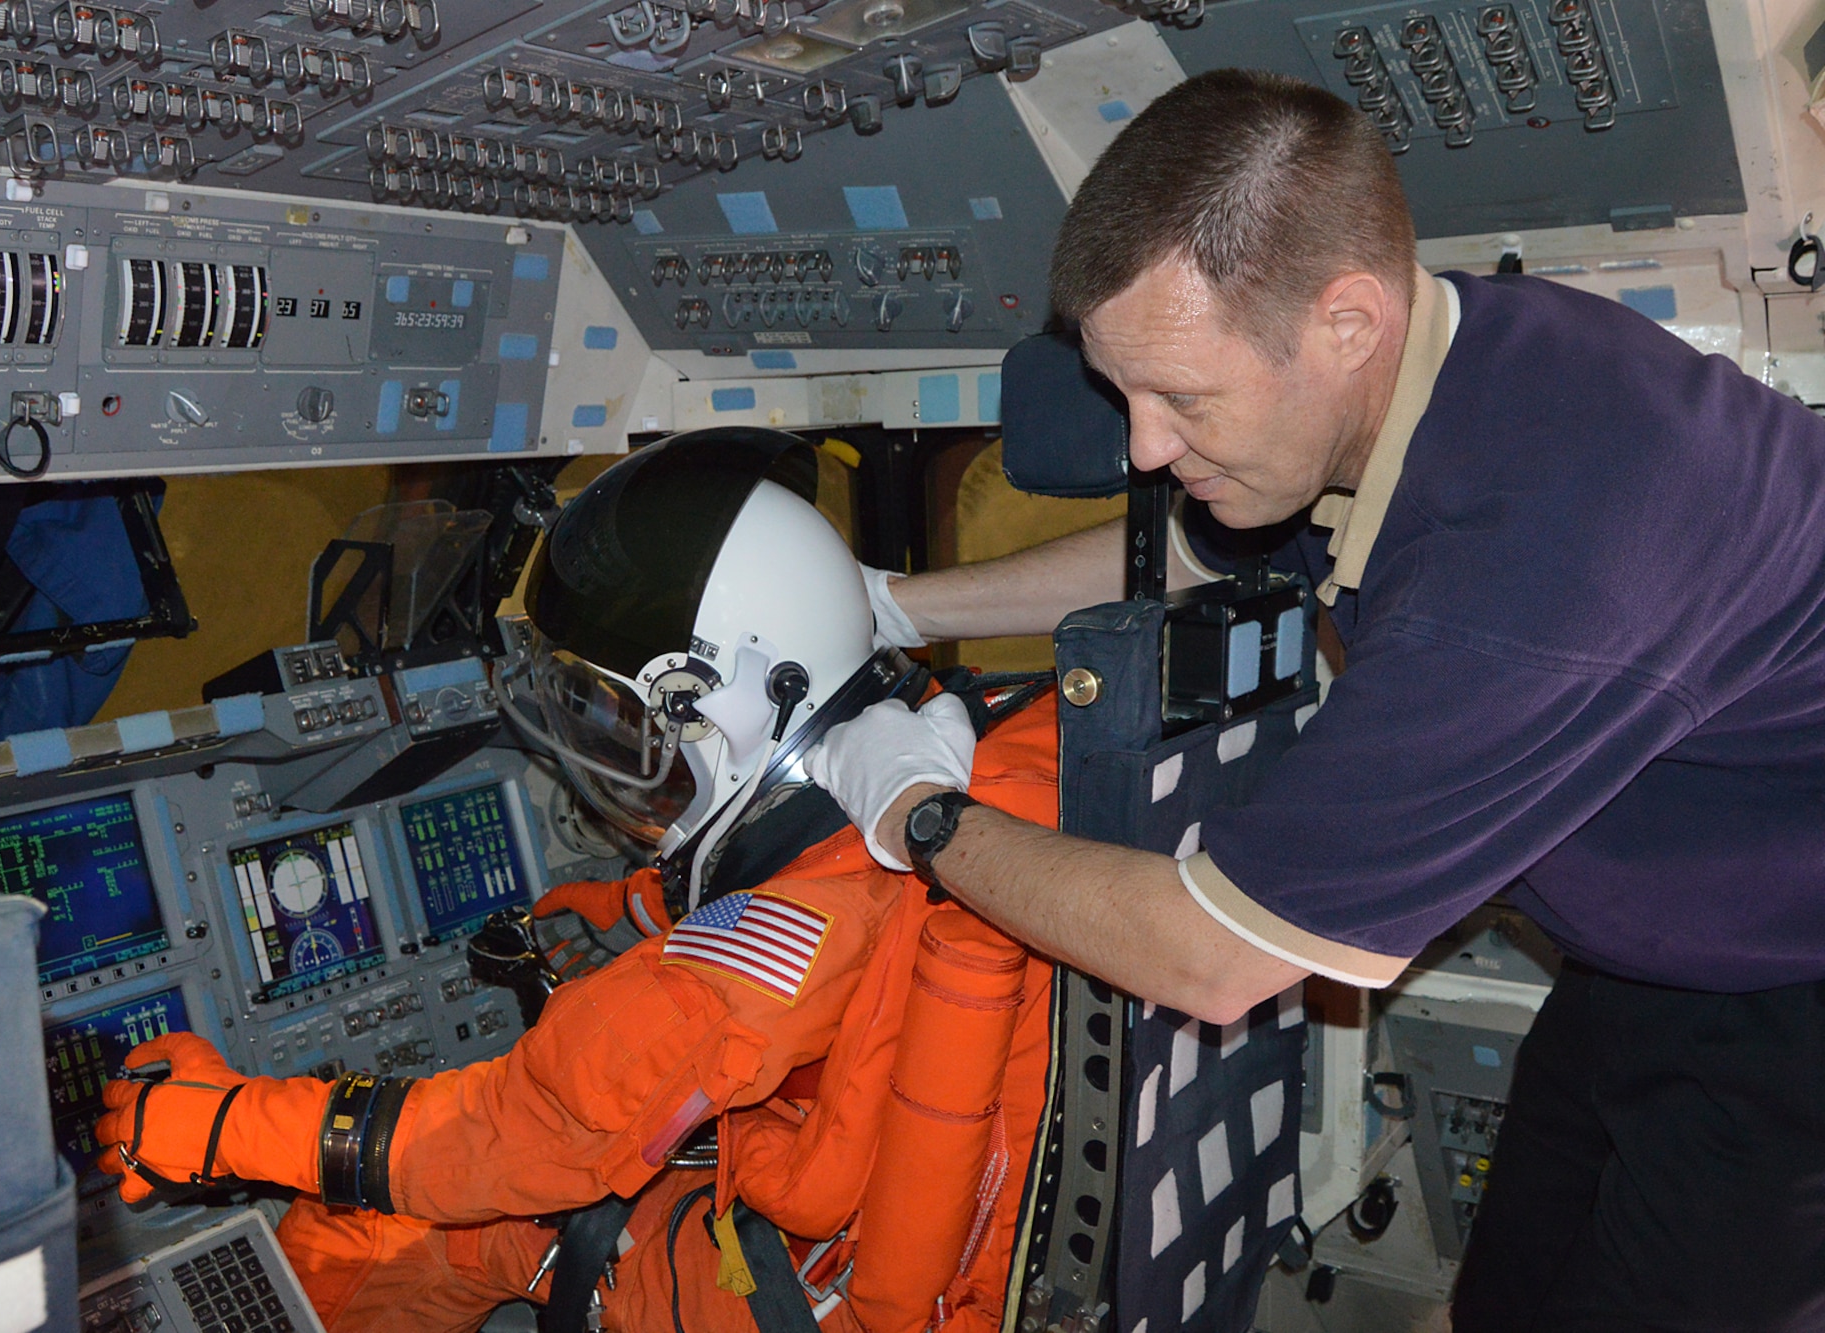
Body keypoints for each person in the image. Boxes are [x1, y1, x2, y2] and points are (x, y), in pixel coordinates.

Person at [808, 68, 1825, 1330]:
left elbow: (1212, 954)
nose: (1140, 448)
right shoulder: (1448, 366)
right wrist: (901, 606)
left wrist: (912, 809)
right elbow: (1188, 552)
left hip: (1793, 1004)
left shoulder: (1549, 556)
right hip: (1658, 955)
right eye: (1124, 393)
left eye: (1180, 397)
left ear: (1344, 322)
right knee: (1503, 1297)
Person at [91, 429, 1075, 1333]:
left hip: (807, 1290)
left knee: (411, 1227)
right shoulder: (968, 740)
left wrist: (213, 1123)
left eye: (624, 720)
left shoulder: (754, 961)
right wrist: (628, 910)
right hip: (952, 1223)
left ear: (710, 707)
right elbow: (795, 889)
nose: (608, 750)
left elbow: (508, 1133)